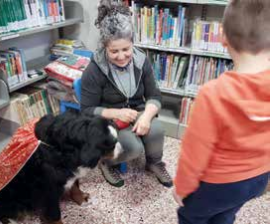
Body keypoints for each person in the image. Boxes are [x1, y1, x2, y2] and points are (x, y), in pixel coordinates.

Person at [172, 0, 270, 223]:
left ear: (223, 38)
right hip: (258, 179)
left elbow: (194, 153)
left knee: (192, 216)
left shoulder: (214, 94)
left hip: (218, 183)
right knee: (227, 213)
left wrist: (182, 187)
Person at [80, 0, 172, 188]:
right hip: (110, 119)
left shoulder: (141, 60)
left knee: (156, 130)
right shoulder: (94, 69)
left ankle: (154, 163)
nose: (121, 56)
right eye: (114, 51)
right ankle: (107, 162)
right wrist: (116, 113)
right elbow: (87, 110)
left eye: (126, 49)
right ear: (104, 47)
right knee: (133, 148)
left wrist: (146, 116)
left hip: (137, 111)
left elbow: (155, 95)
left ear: (132, 43)